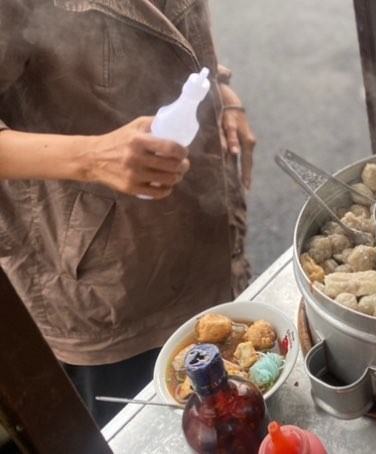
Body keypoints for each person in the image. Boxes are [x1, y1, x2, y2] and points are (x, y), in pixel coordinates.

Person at [0, 0, 255, 426]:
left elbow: (176, 28)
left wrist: (220, 92)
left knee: (237, 424)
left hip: (210, 250)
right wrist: (93, 156)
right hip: (110, 292)